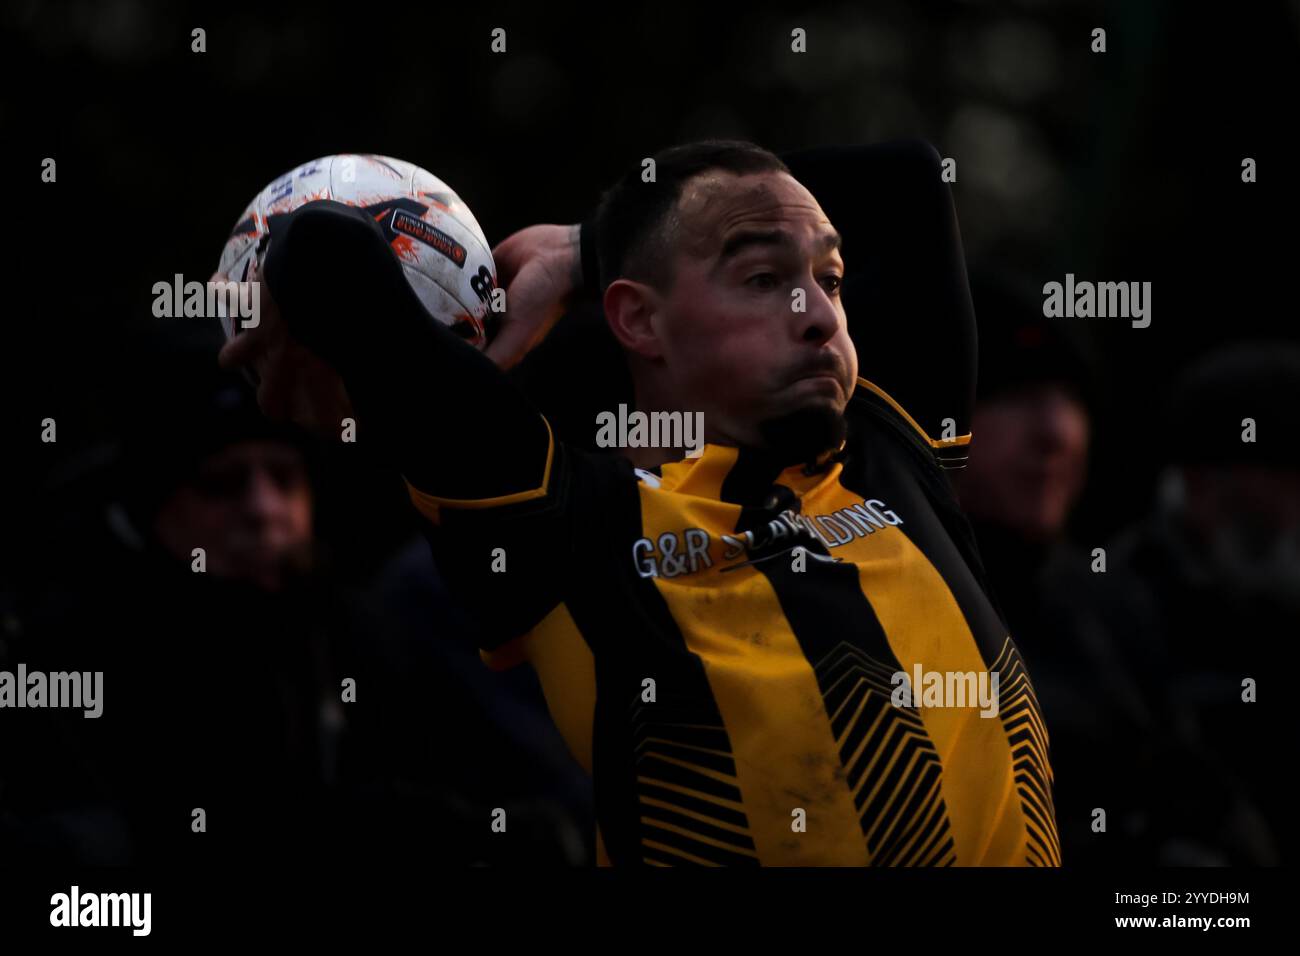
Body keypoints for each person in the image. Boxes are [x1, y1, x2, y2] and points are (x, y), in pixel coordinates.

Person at [220, 139, 1060, 866]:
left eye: (831, 279)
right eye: (764, 277)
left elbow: (906, 177)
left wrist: (590, 248)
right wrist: (628, 248)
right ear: (637, 320)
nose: (816, 314)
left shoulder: (890, 451)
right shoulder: (557, 522)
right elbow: (326, 253)